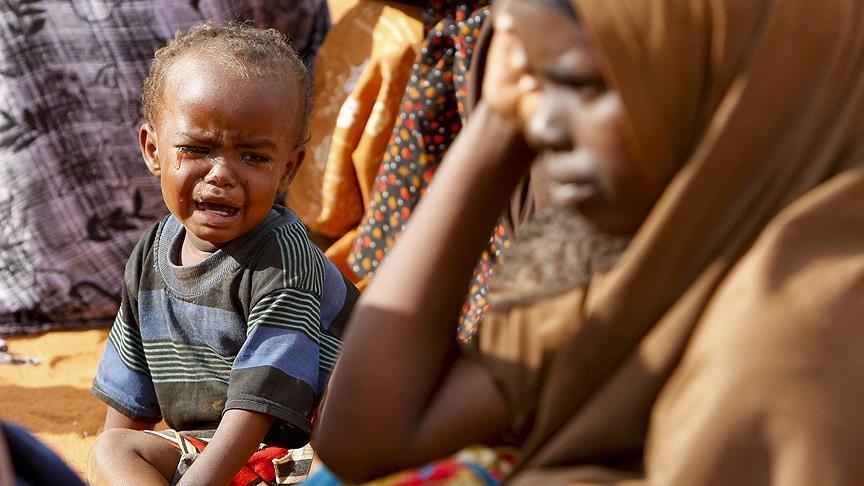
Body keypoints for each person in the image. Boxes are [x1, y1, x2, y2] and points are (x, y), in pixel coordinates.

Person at [312, 0, 864, 484]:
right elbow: (363, 438)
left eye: (583, 85)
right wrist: (495, 126)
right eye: (535, 86)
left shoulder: (802, 338)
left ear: (725, 82)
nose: (542, 126)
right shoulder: (617, 262)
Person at [87, 21, 358, 486]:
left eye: (254, 157)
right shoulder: (150, 255)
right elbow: (128, 404)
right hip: (216, 456)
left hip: (309, 454)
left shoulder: (284, 260)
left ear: (288, 168)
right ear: (153, 150)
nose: (222, 175)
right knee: (112, 451)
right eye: (197, 149)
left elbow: (259, 405)